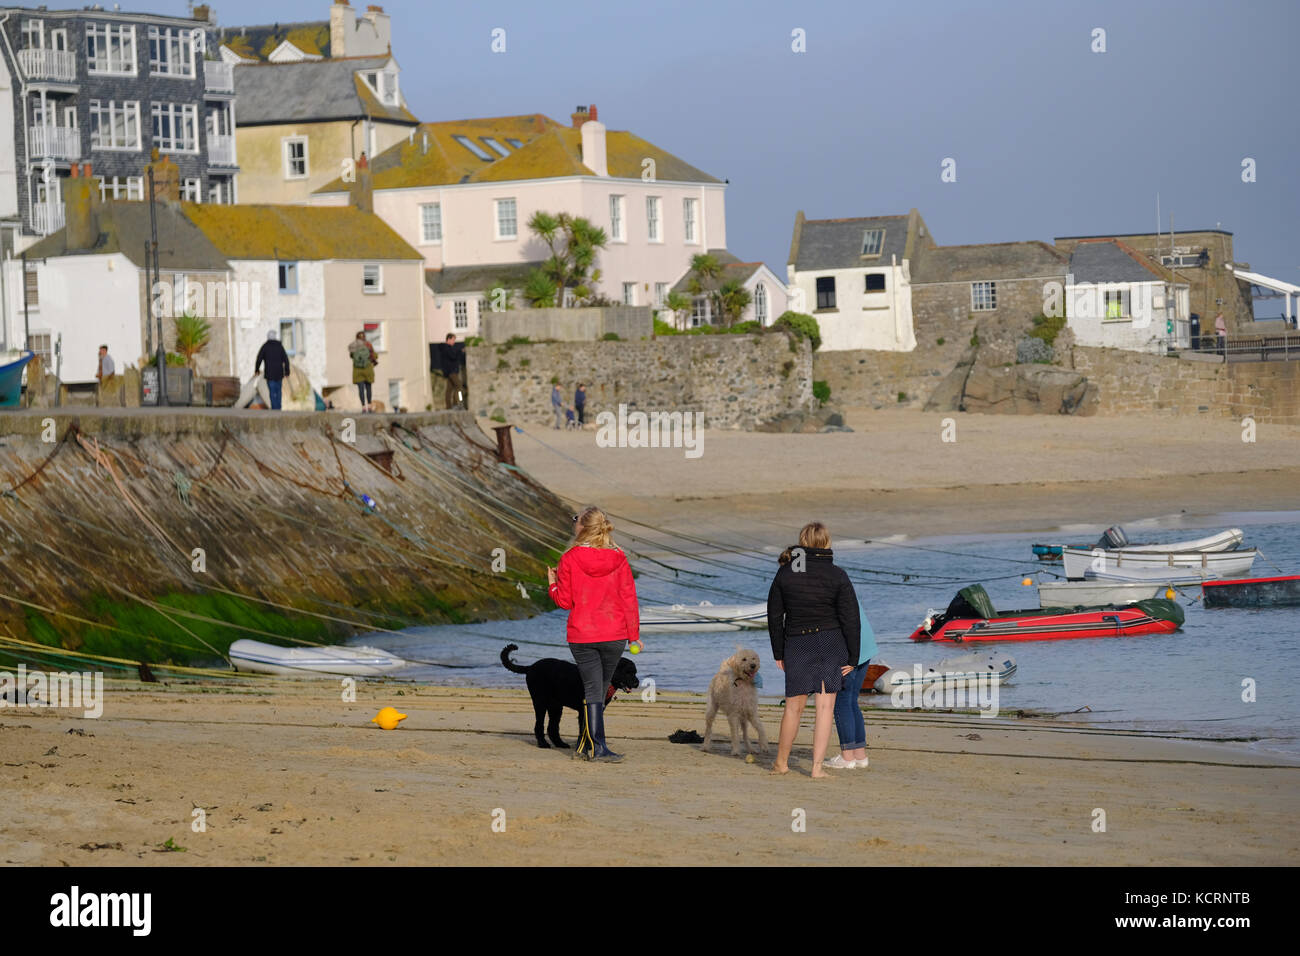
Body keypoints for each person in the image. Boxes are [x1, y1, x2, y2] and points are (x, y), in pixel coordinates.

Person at [767, 521, 860, 778]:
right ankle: (817, 769)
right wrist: (854, 655)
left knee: (793, 708)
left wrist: (778, 652)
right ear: (827, 543)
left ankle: (781, 763)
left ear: (802, 542)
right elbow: (850, 617)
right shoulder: (837, 574)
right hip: (831, 642)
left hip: (797, 642)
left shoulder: (786, 573)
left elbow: (775, 616)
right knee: (824, 709)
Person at [546, 506, 639, 762]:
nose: (573, 524)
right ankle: (594, 747)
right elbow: (629, 599)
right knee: (597, 690)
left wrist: (552, 583)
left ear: (582, 527)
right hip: (615, 634)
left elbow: (564, 601)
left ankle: (592, 747)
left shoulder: (570, 558)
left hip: (583, 635)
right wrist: (633, 636)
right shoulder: (619, 556)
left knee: (592, 690)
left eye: (576, 521)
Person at [825, 601, 878, 769]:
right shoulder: (843, 583)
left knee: (842, 702)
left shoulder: (829, 589)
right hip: (865, 646)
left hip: (850, 650)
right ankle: (860, 755)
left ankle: (847, 757)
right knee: (851, 701)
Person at [254, 331, 291, 411]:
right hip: (279, 373)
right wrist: (287, 371)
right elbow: (286, 359)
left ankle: (275, 409)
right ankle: (279, 408)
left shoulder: (265, 346)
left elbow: (259, 359)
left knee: (272, 392)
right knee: (278, 392)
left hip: (270, 374)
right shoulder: (280, 346)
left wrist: (257, 370)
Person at [435, 333, 466, 409]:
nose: (454, 342)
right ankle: (458, 403)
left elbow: (453, 355)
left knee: (449, 390)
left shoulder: (447, 348)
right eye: (453, 340)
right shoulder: (446, 348)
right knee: (459, 386)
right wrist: (460, 352)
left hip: (450, 372)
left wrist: (458, 352)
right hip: (452, 372)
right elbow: (453, 356)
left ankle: (449, 407)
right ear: (448, 339)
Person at [349, 331, 377, 412]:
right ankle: (370, 406)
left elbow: (351, 356)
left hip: (357, 371)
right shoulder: (368, 345)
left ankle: (363, 407)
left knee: (361, 389)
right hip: (368, 369)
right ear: (364, 337)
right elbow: (374, 355)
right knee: (368, 388)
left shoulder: (353, 346)